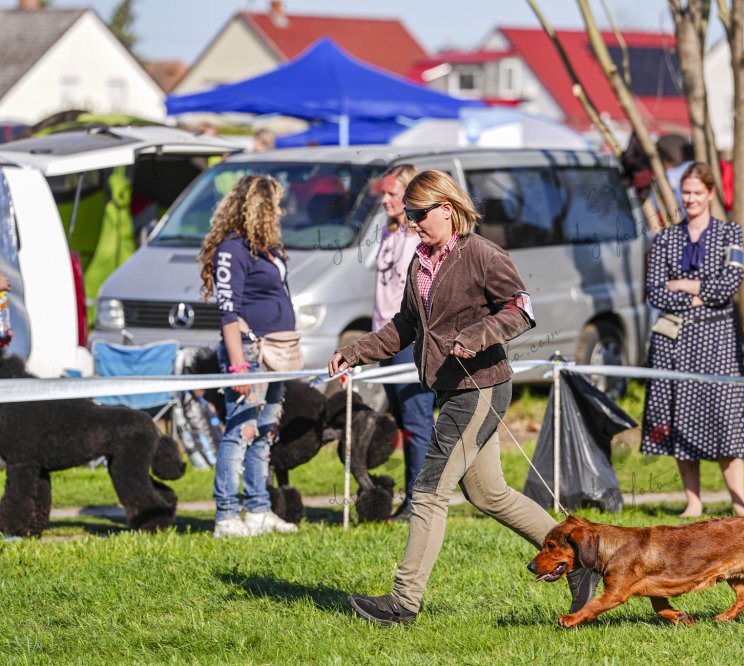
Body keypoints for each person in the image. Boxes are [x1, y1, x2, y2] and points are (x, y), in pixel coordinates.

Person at [328, 169, 597, 626]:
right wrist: (355, 352)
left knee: (428, 491)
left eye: (419, 213)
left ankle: (403, 602)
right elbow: (406, 325)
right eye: (408, 213)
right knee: (490, 494)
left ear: (447, 209)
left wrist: (478, 335)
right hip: (451, 389)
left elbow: (521, 309)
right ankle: (579, 562)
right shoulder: (420, 261)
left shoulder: (482, 254)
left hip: (480, 389)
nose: (411, 221)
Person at [640, 162, 744, 518]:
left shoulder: (730, 233)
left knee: (727, 417)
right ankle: (693, 501)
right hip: (674, 341)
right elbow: (655, 291)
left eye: (697, 193)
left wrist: (686, 286)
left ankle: (739, 503)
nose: (690, 199)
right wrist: (699, 297)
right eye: (685, 193)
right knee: (681, 416)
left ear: (710, 194)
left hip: (718, 340)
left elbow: (730, 283)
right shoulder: (665, 238)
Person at [198, 175, 299, 538]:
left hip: (276, 352)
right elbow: (227, 312)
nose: (280, 212)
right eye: (275, 205)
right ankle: (226, 515)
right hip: (249, 352)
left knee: (264, 431)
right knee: (240, 431)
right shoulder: (232, 249)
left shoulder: (267, 248)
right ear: (259, 207)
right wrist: (238, 366)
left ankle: (258, 509)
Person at [372, 164, 434, 522]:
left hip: (409, 342)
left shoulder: (419, 240)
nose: (384, 200)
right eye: (383, 193)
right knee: (404, 423)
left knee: (417, 422)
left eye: (392, 194)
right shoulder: (388, 232)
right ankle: (412, 496)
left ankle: (419, 502)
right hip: (385, 341)